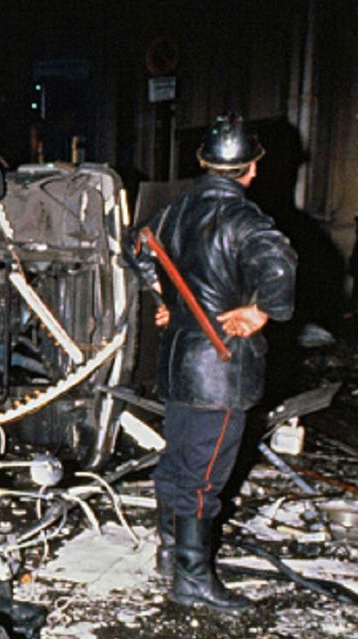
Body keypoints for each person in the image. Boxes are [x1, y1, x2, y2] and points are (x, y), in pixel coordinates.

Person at [130, 114, 296, 613]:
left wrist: (163, 295)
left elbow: (137, 245)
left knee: (177, 462)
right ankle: (192, 580)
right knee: (204, 478)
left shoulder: (177, 209)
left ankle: (169, 554)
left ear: (203, 163)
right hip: (220, 372)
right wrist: (264, 310)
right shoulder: (245, 218)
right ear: (251, 170)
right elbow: (279, 262)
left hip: (179, 362)